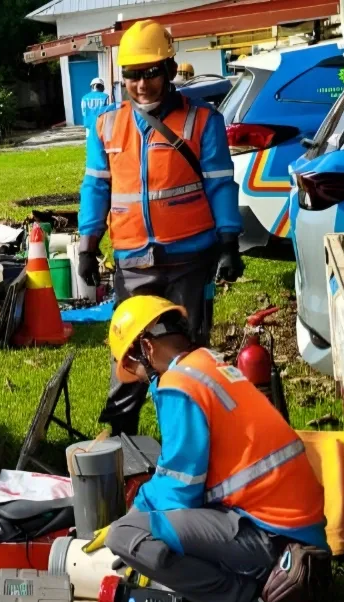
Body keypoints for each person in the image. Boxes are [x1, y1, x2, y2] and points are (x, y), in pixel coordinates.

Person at [92, 296, 327, 602]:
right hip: (292, 530)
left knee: (125, 538)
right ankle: (248, 589)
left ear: (145, 347)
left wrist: (130, 520)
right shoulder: (205, 364)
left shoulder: (178, 385)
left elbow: (179, 489)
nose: (141, 380)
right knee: (145, 530)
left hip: (270, 539)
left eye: (136, 370)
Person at [76, 19, 244, 437]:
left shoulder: (203, 121)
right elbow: (96, 187)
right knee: (130, 354)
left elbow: (221, 183)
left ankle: (196, 440)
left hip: (190, 258)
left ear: (170, 70)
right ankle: (120, 444)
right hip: (132, 260)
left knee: (187, 352)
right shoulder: (106, 127)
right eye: (132, 75)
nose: (142, 84)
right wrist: (86, 245)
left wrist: (228, 242)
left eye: (151, 72)